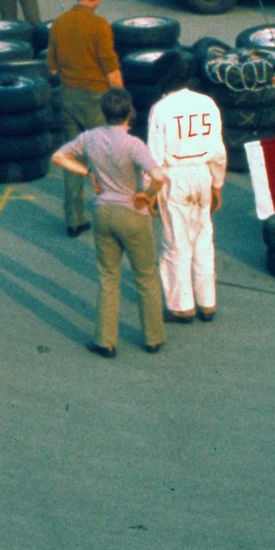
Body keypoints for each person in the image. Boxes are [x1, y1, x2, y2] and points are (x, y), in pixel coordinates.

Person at [51, 89, 169, 357]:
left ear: (104, 112)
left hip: (103, 212)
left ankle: (105, 340)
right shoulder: (133, 144)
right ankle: (153, 337)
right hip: (132, 212)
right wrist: (147, 196)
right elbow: (159, 176)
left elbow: (59, 157)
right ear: (128, 113)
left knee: (108, 277)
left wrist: (87, 171)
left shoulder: (90, 138)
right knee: (146, 277)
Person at [145, 57, 226, 323]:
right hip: (202, 172)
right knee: (203, 239)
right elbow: (218, 151)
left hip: (174, 176)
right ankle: (207, 302)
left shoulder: (161, 109)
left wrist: (149, 192)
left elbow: (154, 157)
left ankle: (182, 306)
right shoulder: (207, 104)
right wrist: (217, 184)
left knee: (176, 242)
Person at [45, 0, 122, 236]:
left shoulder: (59, 24)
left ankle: (74, 220)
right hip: (95, 99)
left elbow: (52, 66)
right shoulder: (100, 25)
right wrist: (122, 99)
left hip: (68, 96)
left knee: (72, 158)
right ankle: (112, 217)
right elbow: (110, 68)